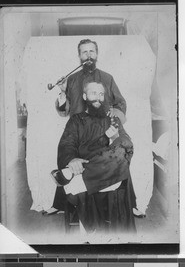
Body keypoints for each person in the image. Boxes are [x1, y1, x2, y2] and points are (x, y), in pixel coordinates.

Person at [46, 38, 127, 214]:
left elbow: (120, 102)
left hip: (101, 131)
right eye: (84, 52)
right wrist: (62, 90)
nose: (88, 55)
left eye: (91, 51)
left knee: (117, 154)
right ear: (79, 56)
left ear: (96, 54)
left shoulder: (107, 78)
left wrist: (114, 116)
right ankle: (61, 204)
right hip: (77, 130)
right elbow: (64, 111)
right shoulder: (72, 79)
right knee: (67, 152)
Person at [51, 81, 136, 232]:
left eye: (101, 94)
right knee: (117, 161)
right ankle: (83, 173)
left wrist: (115, 137)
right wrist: (71, 160)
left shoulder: (112, 119)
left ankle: (75, 176)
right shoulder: (76, 120)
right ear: (84, 96)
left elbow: (127, 144)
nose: (98, 98)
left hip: (96, 170)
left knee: (122, 151)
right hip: (93, 170)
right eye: (93, 93)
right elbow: (66, 144)